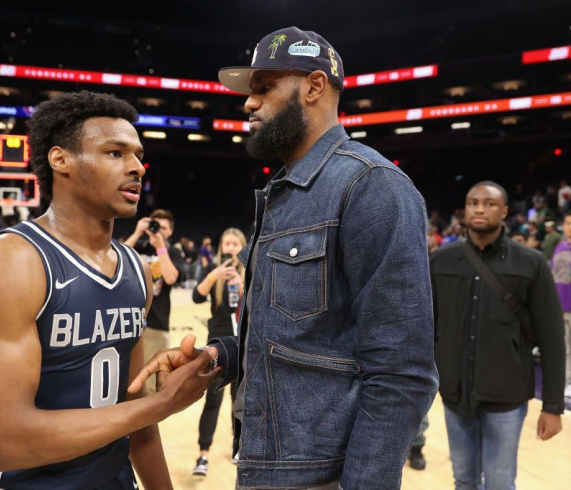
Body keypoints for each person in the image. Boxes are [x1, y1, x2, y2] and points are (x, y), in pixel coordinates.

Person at [133, 26, 438, 489]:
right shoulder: (284, 194)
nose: (249, 103)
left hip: (321, 476)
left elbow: (402, 373)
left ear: (315, 86)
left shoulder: (372, 186)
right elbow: (299, 338)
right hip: (266, 461)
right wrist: (219, 356)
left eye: (264, 87)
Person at [0, 91, 218, 490]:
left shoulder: (134, 268)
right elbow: (4, 442)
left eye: (137, 155)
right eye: (115, 153)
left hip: (113, 479)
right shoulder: (10, 262)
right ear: (61, 159)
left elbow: (134, 411)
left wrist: (151, 414)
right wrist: (160, 405)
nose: (137, 167)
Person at [432, 181, 565, 489]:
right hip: (455, 395)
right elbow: (429, 327)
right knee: (463, 480)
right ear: (465, 209)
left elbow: (552, 339)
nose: (479, 208)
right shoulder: (440, 261)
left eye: (489, 203)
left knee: (500, 482)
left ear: (504, 211)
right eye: (473, 202)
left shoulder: (530, 263)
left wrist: (553, 407)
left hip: (507, 396)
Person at [191, 228, 246, 477]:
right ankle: (203, 455)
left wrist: (243, 286)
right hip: (217, 346)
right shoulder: (214, 274)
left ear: (243, 246)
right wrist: (214, 275)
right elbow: (196, 296)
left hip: (243, 344)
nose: (231, 247)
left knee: (240, 401)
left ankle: (239, 447)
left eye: (236, 244)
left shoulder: (249, 273)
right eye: (227, 243)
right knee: (212, 401)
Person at [124, 209, 185, 392]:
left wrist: (160, 246)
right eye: (156, 226)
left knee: (150, 385)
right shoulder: (140, 247)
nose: (159, 231)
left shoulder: (173, 252)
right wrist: (137, 232)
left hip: (157, 324)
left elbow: (171, 278)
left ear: (171, 231)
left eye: (164, 228)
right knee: (127, 380)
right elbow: (117, 259)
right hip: (131, 321)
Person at [550, 211, 571, 402]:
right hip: (560, 304)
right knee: (564, 347)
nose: (568, 227)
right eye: (566, 223)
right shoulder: (559, 246)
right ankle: (566, 382)